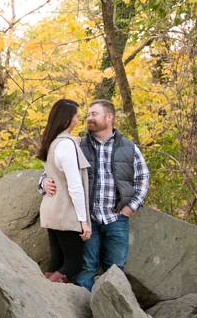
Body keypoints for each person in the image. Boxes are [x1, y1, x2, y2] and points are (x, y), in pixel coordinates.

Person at [41, 99, 149, 290]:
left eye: (94, 114)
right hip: (86, 220)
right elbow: (51, 172)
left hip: (117, 219)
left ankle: (107, 317)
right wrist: (44, 183)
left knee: (115, 271)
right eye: (87, 114)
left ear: (109, 117)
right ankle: (83, 317)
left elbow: (143, 179)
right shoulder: (77, 144)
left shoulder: (129, 148)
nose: (88, 118)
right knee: (85, 271)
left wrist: (130, 208)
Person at [37, 99, 92, 284]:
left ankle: (45, 294)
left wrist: (73, 142)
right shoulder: (66, 145)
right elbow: (75, 186)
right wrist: (84, 221)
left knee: (56, 261)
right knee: (73, 263)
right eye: (76, 116)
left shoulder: (52, 142)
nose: (78, 120)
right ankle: (45, 296)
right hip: (65, 211)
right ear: (67, 118)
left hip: (51, 209)